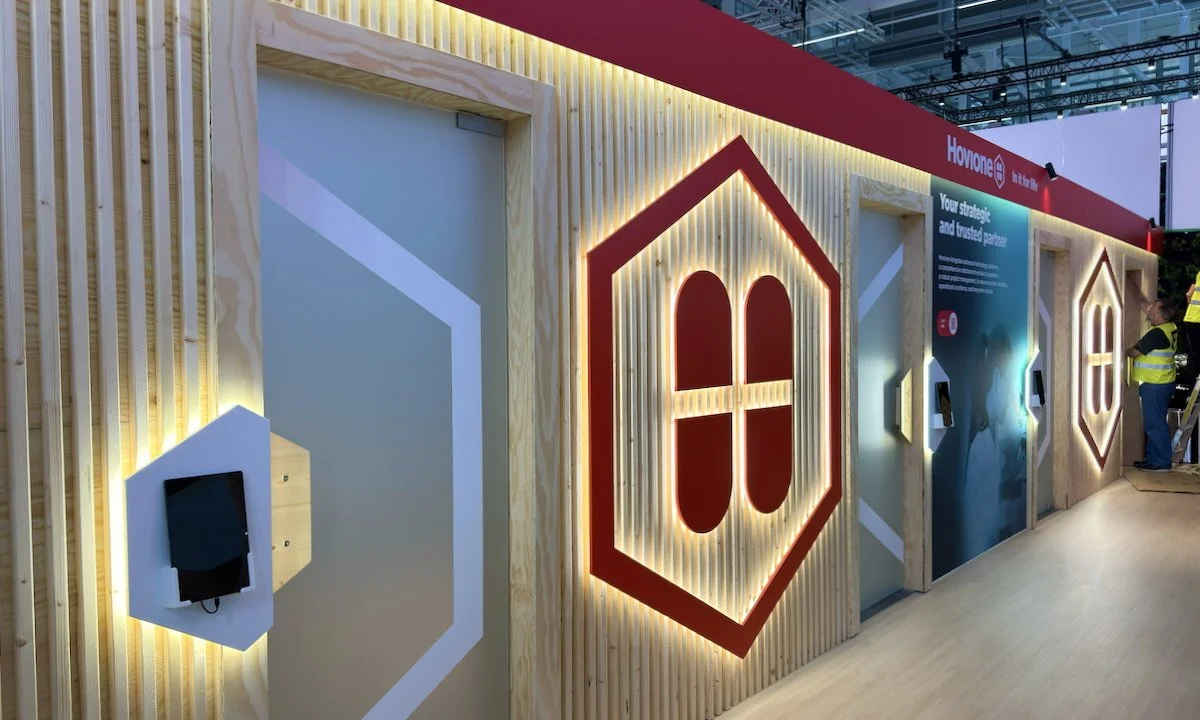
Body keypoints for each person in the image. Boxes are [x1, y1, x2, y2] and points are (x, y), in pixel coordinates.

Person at [1126, 297, 1179, 472]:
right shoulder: (1170, 327)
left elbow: (1134, 353)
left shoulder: (1157, 334)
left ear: (1161, 315)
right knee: (1155, 423)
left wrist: (1123, 350)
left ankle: (1161, 462)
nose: (1149, 311)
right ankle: (1152, 459)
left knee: (1154, 425)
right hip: (1163, 382)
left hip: (1155, 384)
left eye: (1153, 309)